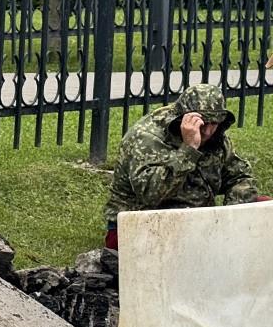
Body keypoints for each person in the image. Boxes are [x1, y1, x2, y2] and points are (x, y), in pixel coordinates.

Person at [103, 83, 266, 250]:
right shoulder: (147, 138)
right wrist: (188, 149)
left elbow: (240, 177)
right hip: (145, 223)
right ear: (183, 119)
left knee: (265, 209)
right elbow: (151, 194)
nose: (207, 132)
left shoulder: (216, 137)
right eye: (203, 123)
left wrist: (232, 215)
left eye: (214, 123)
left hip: (197, 220)